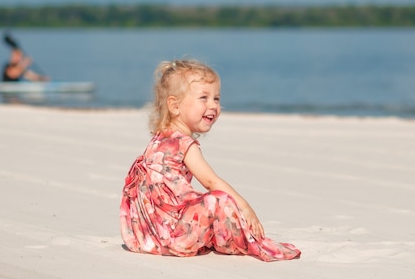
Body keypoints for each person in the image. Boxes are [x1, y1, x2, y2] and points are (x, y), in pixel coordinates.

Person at [119, 59, 301, 262]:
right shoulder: (183, 144)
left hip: (146, 233)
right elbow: (211, 182)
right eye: (203, 98)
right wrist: (245, 206)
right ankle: (241, 242)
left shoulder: (161, 138)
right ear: (175, 106)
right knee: (218, 200)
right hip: (172, 235)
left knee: (206, 203)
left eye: (217, 98)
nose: (213, 105)